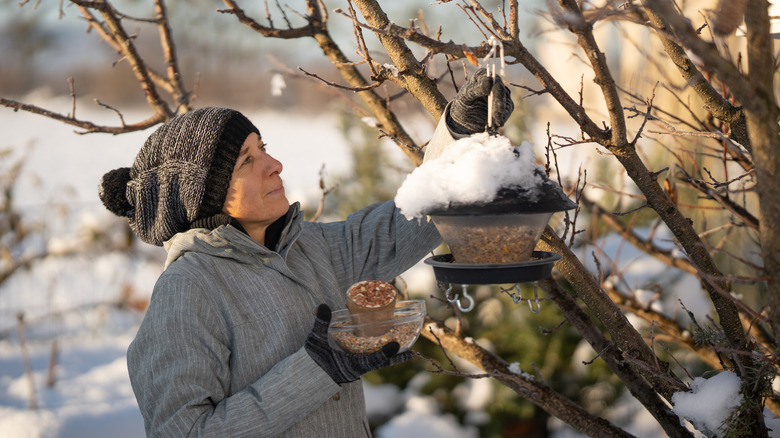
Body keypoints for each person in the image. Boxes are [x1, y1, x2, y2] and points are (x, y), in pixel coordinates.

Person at [98, 69, 512, 437]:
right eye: (247, 160)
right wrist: (319, 368)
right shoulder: (188, 292)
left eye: (264, 147)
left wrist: (462, 135)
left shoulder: (309, 248)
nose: (274, 164)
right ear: (204, 198)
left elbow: (408, 222)